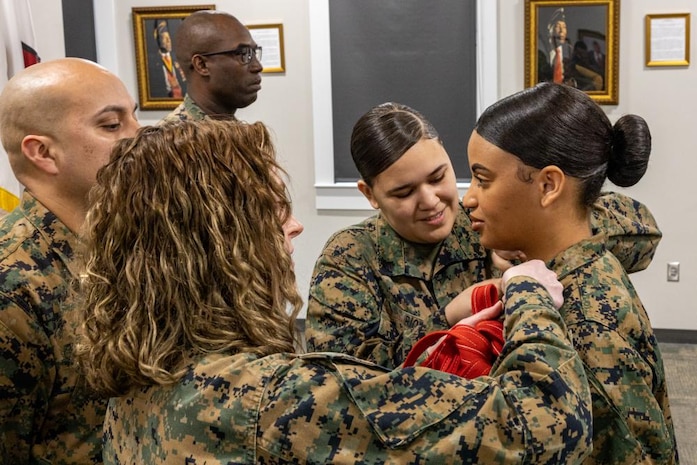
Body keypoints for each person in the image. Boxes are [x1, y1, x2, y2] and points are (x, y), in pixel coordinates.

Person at [76, 118, 594, 464]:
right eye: (272, 211)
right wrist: (526, 293)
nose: (296, 226)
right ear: (216, 241)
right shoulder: (273, 398)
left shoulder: (136, 383)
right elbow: (546, 426)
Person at [305, 102, 662, 370]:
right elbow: (342, 387)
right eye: (404, 193)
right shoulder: (350, 258)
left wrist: (533, 229)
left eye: (437, 177)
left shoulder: (486, 222)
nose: (431, 201)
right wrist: (447, 320)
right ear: (369, 194)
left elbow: (641, 232)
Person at [462, 82, 678, 464]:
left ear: (548, 185)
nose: (468, 198)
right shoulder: (566, 271)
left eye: (483, 180)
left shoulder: (586, 324)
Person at [0, 58, 139, 464]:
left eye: (133, 117)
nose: (139, 136)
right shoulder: (12, 287)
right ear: (43, 152)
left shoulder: (119, 245)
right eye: (112, 126)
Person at [162, 10, 263, 122]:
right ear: (202, 65)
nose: (257, 67)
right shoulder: (175, 137)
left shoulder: (235, 132)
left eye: (253, 52)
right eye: (242, 53)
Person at [152, 19, 186, 98]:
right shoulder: (153, 62)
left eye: (169, 38)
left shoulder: (179, 58)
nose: (168, 41)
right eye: (164, 38)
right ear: (158, 39)